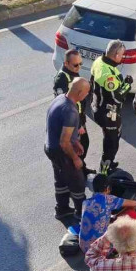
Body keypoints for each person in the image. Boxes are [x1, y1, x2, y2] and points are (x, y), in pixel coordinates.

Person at [46, 77, 91, 220]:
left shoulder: (60, 98)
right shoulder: (70, 111)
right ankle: (81, 214)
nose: (87, 96)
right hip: (61, 151)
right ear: (79, 93)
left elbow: (59, 127)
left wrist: (75, 141)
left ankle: (62, 208)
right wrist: (76, 158)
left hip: (50, 148)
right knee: (77, 182)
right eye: (86, 93)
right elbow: (64, 143)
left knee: (60, 180)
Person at [91, 40, 134, 175]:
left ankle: (109, 162)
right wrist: (127, 85)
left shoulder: (99, 61)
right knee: (112, 143)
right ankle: (104, 172)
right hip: (107, 112)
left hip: (99, 107)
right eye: (122, 55)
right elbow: (117, 97)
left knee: (113, 138)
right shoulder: (108, 75)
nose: (122, 57)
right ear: (115, 54)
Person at [54, 50, 95, 174]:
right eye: (76, 65)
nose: (79, 67)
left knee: (84, 144)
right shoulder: (62, 79)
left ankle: (81, 168)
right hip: (72, 122)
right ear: (66, 63)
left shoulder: (73, 73)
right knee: (78, 146)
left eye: (80, 64)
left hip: (79, 118)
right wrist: (78, 126)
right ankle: (77, 170)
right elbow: (65, 106)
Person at [78, 174, 136, 253]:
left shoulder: (86, 202)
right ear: (107, 188)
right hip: (99, 250)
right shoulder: (109, 199)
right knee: (131, 213)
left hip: (84, 246)